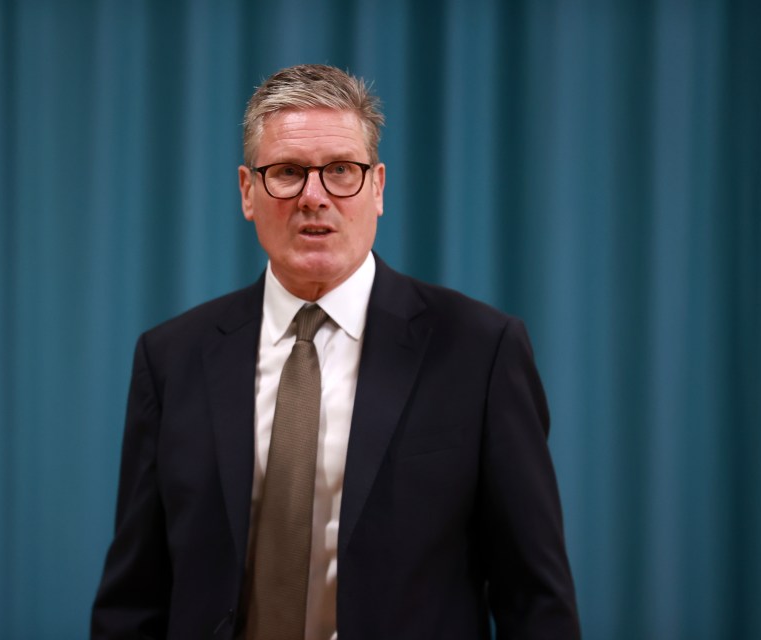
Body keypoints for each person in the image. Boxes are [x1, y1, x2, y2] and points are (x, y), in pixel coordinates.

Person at [91, 64, 580, 640]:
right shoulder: (170, 358)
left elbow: (536, 601)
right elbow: (135, 599)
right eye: (288, 172)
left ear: (377, 189)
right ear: (248, 192)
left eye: (341, 171)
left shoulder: (480, 351)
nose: (314, 197)